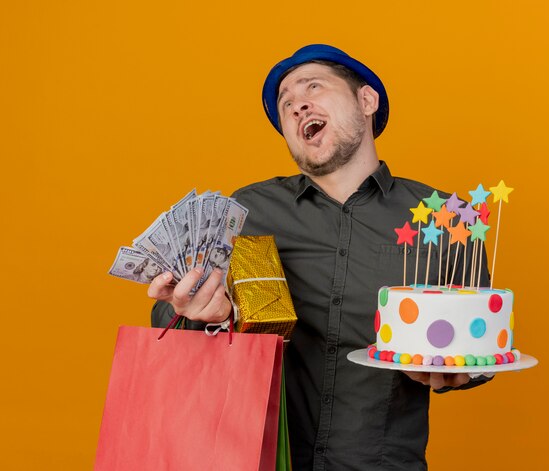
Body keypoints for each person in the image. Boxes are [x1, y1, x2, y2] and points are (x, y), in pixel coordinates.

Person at [149, 44, 491, 470]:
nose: (297, 106)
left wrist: (461, 373)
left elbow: (481, 343)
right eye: (286, 104)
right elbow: (171, 328)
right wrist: (190, 311)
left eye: (313, 87)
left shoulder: (446, 218)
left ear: (366, 101)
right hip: (258, 458)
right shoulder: (247, 212)